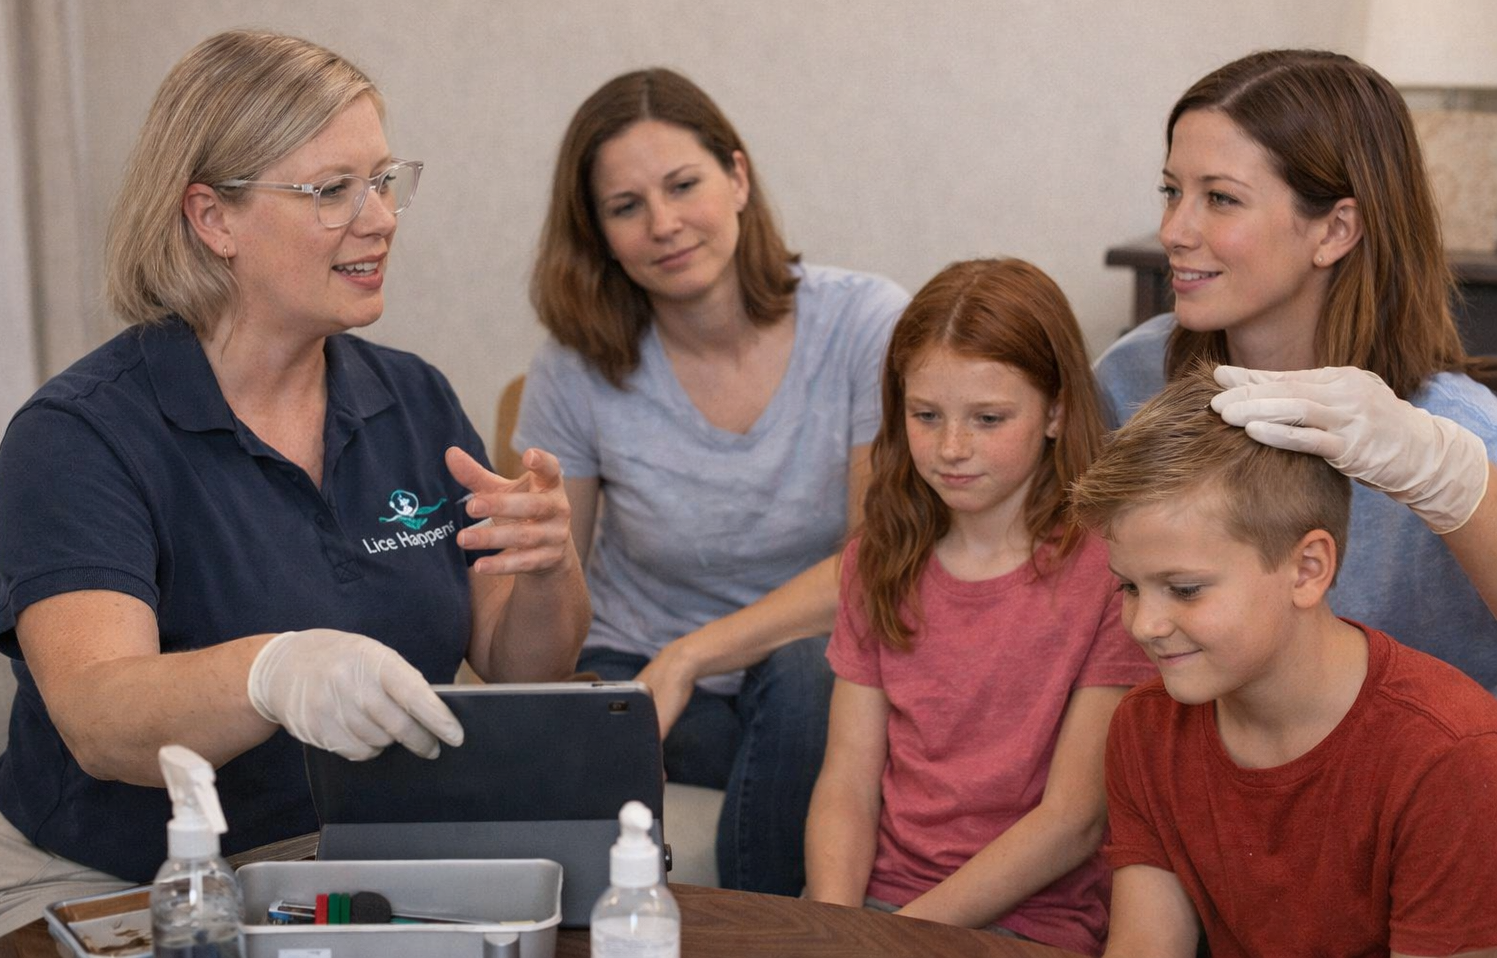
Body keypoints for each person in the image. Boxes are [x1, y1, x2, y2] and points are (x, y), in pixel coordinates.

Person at [0, 29, 589, 952]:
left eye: (384, 180)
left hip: (336, 871)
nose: (380, 218)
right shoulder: (81, 434)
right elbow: (100, 718)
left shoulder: (413, 398)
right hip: (105, 880)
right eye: (332, 191)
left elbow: (517, 667)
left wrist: (546, 565)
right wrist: (270, 673)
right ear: (213, 219)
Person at [515, 67, 908, 894]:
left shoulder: (864, 324)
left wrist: (693, 655)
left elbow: (878, 561)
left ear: (737, 176)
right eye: (626, 207)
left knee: (811, 680)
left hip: (800, 661)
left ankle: (773, 942)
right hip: (638, 671)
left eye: (683, 184)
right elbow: (557, 592)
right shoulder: (574, 368)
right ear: (600, 234)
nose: (664, 224)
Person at [1094, 48, 1497, 689]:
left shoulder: (1455, 434)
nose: (1174, 229)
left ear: (1336, 230)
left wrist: (1453, 486)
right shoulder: (1129, 379)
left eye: (1221, 198)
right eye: (1172, 191)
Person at [1072, 365, 1497, 958]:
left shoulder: (1452, 757)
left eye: (1186, 589)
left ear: (1307, 570)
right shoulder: (1147, 730)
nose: (1145, 626)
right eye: (1129, 588)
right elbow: (1146, 945)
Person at [802, 259, 1152, 955]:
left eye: (988, 419)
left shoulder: (1113, 570)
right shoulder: (880, 556)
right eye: (925, 416)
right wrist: (838, 927)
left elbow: (1073, 821)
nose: (952, 449)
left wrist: (891, 939)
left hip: (1028, 922)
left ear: (1056, 411)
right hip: (876, 908)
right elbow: (846, 781)